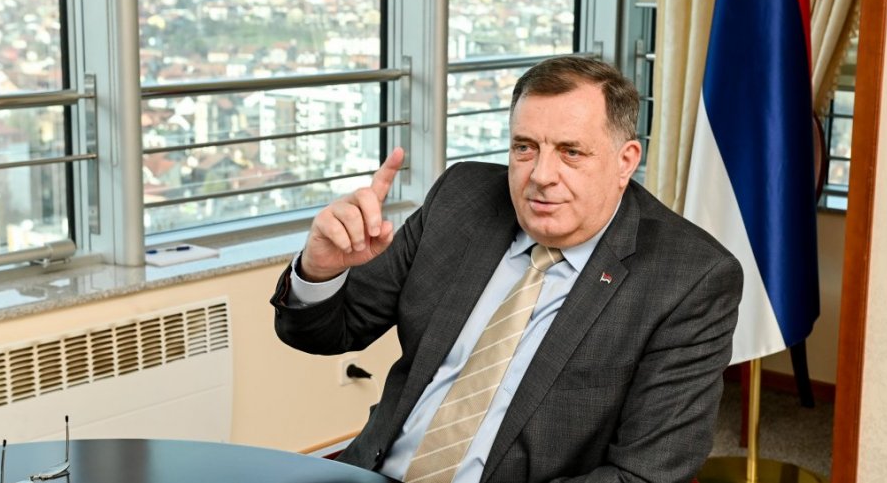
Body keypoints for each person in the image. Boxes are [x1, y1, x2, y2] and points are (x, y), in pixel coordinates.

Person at [270, 56, 743, 483]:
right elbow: (324, 332)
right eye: (525, 147)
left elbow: (645, 475)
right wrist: (319, 269)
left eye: (571, 152)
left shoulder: (690, 278)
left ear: (625, 162)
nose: (541, 175)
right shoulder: (461, 198)